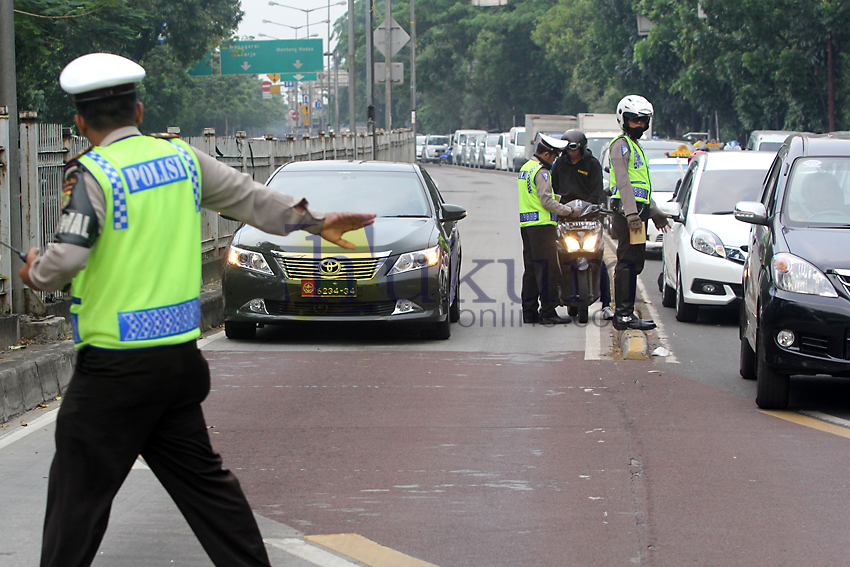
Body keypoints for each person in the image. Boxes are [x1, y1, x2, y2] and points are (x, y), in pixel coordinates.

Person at [21, 52, 375, 567]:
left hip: (113, 370)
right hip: (177, 364)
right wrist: (317, 223)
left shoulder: (92, 174)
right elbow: (252, 198)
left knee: (76, 500)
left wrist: (35, 270)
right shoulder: (181, 161)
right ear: (138, 112)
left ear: (79, 122)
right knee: (209, 492)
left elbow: (67, 259)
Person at [607, 95, 669, 331]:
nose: (639, 126)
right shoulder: (620, 145)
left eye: (643, 121)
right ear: (623, 120)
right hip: (628, 214)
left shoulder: (635, 147)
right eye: (634, 121)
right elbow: (624, 182)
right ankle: (622, 315)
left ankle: (627, 313)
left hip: (638, 213)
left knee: (635, 262)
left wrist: (654, 211)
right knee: (626, 261)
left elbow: (640, 187)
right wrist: (632, 214)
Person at [551, 129, 614, 320]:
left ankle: (606, 304)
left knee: (598, 257)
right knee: (557, 256)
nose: (572, 153)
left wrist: (592, 207)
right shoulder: (559, 165)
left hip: (589, 218)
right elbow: (554, 190)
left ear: (582, 147)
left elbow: (597, 192)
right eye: (568, 149)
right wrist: (561, 209)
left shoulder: (592, 164)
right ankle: (554, 299)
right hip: (566, 217)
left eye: (574, 149)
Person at [518, 135, 580, 325]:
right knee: (547, 270)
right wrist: (569, 211)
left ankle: (529, 312)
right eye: (553, 157)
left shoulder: (525, 168)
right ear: (546, 154)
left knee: (531, 270)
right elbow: (546, 201)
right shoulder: (542, 172)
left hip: (527, 226)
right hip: (543, 227)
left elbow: (534, 197)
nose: (554, 161)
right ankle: (548, 311)